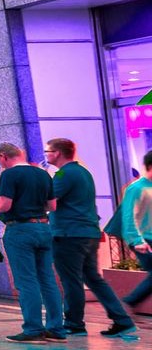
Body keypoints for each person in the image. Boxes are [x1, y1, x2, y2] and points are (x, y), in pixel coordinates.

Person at [47, 138, 135, 337]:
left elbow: (50, 200)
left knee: (71, 280)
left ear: (58, 153)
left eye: (48, 151)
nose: (46, 155)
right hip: (89, 232)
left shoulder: (63, 173)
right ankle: (122, 319)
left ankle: (74, 323)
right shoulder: (84, 172)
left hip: (69, 234)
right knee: (93, 279)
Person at [0, 142, 64, 342]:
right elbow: (52, 206)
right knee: (47, 280)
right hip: (44, 228)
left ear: (3, 156)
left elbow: (4, 204)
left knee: (26, 281)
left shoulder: (9, 174)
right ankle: (56, 329)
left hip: (20, 230)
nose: (0, 165)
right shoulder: (43, 174)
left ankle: (33, 329)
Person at [118, 154, 152, 309]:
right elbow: (128, 216)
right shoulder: (136, 188)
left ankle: (129, 303)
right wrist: (137, 241)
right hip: (143, 239)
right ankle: (129, 302)